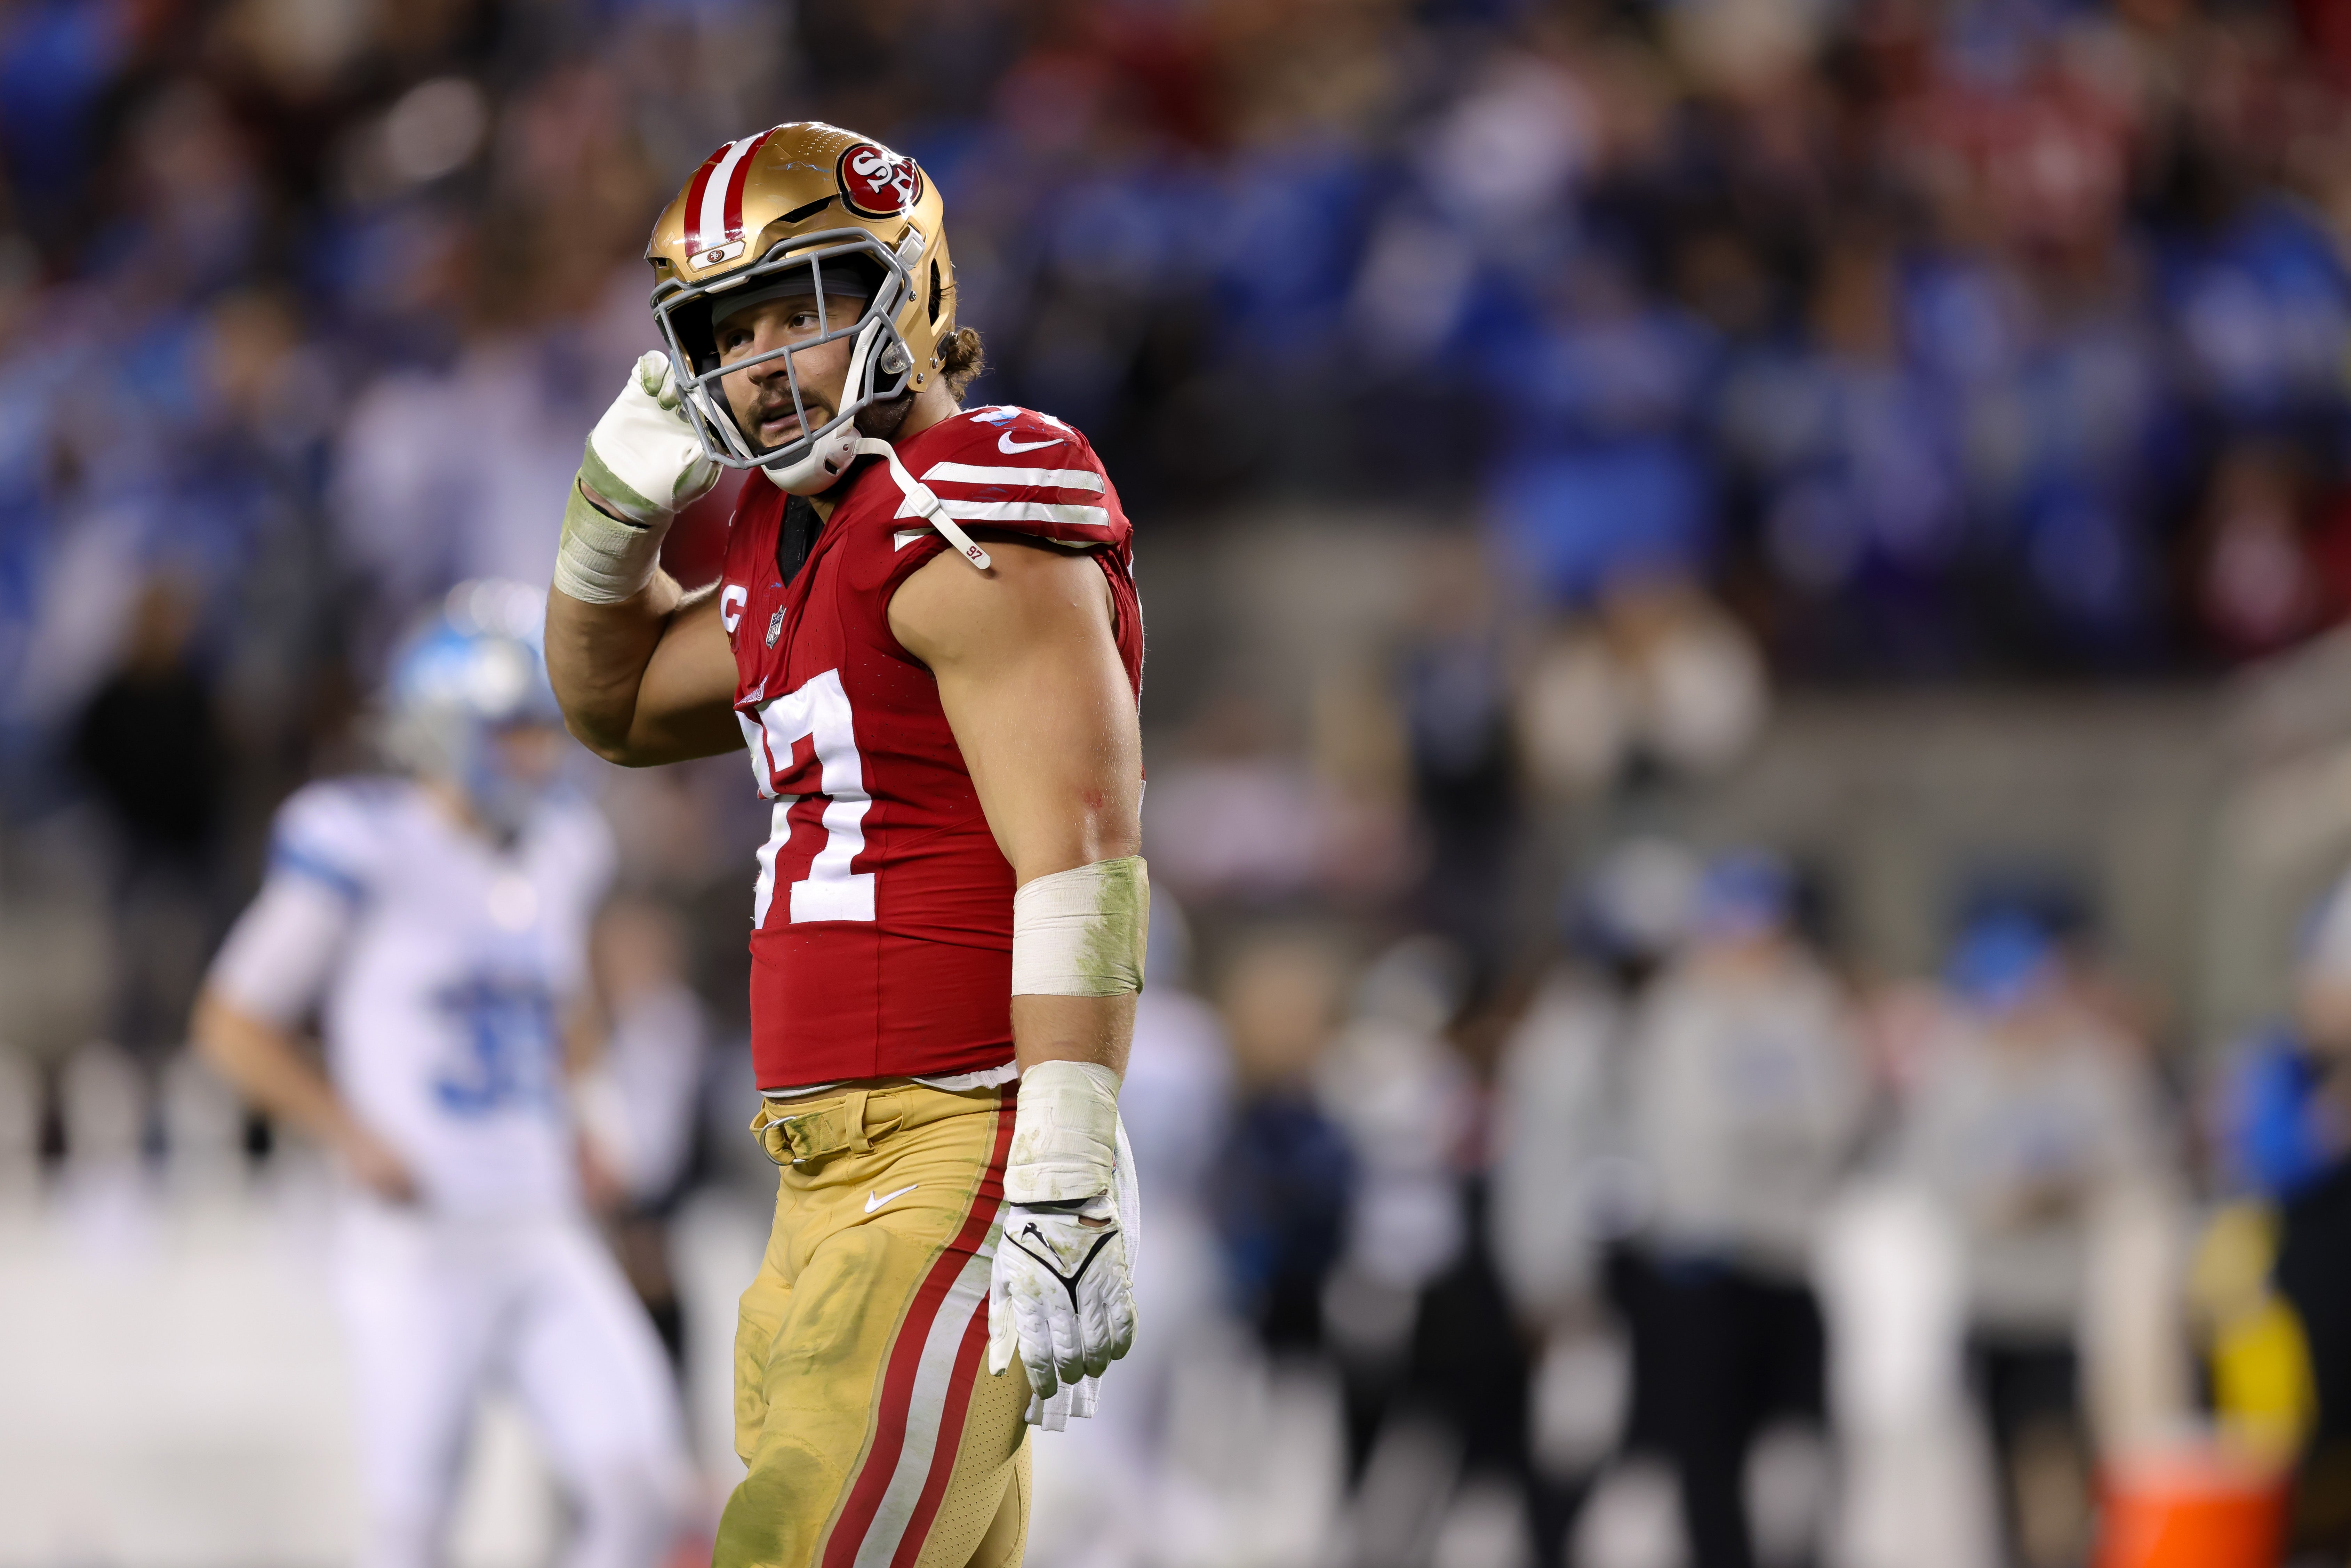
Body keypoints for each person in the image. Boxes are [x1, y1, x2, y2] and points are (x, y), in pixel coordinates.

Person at [541, 122, 1147, 1568]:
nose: (758, 359)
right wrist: (610, 511)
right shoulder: (785, 533)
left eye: (796, 308)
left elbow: (1084, 856)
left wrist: (1062, 1152)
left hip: (954, 1145)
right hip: (821, 1165)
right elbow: (607, 701)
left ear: (911, 288)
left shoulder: (968, 503)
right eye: (723, 329)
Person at [189, 581, 691, 1568]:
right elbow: (233, 1022)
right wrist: (351, 1132)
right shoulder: (364, 842)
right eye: (513, 732)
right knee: (414, 1530)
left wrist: (590, 1115)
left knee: (642, 1485)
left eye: (543, 733)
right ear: (441, 727)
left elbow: (566, 1010)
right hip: (419, 1242)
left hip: (540, 1222)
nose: (536, 756)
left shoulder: (560, 849)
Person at [1617, 851, 1866, 1568]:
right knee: (1707, 1449)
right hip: (1701, 1261)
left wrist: (1771, 1133)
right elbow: (1686, 1137)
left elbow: (1832, 1118)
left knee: (1798, 1446)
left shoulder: (1809, 1005)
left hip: (1786, 1256)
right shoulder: (1676, 1009)